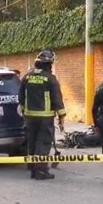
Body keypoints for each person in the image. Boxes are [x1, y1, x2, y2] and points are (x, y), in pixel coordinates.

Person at [18, 50, 66, 180]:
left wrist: (23, 111)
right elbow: (57, 99)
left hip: (29, 117)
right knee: (43, 143)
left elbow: (21, 96)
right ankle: (41, 171)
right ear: (50, 63)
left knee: (32, 142)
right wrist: (62, 117)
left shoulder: (27, 76)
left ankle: (33, 169)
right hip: (45, 117)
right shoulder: (50, 78)